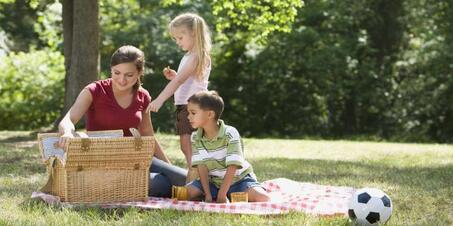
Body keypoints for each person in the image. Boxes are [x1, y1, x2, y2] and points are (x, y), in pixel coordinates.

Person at [58, 45, 186, 198]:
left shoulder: (143, 96)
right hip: (102, 161)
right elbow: (68, 119)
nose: (122, 80)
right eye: (117, 73)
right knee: (161, 184)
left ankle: (220, 193)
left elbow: (148, 136)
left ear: (139, 73)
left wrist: (168, 167)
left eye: (129, 75)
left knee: (184, 179)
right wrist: (66, 132)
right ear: (111, 69)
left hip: (135, 157)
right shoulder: (94, 91)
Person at [146, 13, 212, 172]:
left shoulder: (196, 56)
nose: (177, 42)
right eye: (175, 39)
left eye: (180, 38)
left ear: (194, 33)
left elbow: (179, 82)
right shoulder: (190, 56)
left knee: (189, 142)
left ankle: (196, 172)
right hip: (188, 105)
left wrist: (160, 99)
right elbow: (187, 80)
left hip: (194, 106)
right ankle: (195, 171)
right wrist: (175, 76)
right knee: (188, 143)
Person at [185, 91, 271, 203]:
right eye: (188, 113)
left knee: (264, 198)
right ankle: (228, 196)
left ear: (210, 114)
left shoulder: (230, 133)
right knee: (185, 194)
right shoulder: (195, 137)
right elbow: (202, 167)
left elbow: (233, 166)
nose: (188, 117)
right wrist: (208, 195)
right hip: (213, 183)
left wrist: (222, 194)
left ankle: (230, 194)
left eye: (193, 113)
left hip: (239, 181)